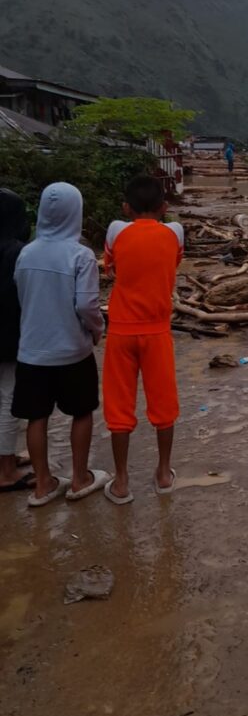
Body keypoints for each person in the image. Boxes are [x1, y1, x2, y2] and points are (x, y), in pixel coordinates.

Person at [11, 183, 109, 506]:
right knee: (81, 412)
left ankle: (43, 485)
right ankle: (80, 479)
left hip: (32, 352)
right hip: (72, 351)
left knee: (36, 417)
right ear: (75, 213)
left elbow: (22, 297)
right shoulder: (80, 255)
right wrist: (97, 330)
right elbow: (86, 306)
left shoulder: (26, 253)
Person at [102, 175, 183, 504]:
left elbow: (111, 266)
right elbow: (172, 263)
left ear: (125, 207)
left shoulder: (115, 230)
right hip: (157, 330)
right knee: (164, 404)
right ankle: (163, 473)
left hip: (121, 329)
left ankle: (121, 482)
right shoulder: (174, 232)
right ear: (164, 207)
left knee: (118, 406)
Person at [0, 189, 33, 492]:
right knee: (9, 398)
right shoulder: (16, 252)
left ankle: (5, 456)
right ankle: (6, 469)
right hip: (7, 336)